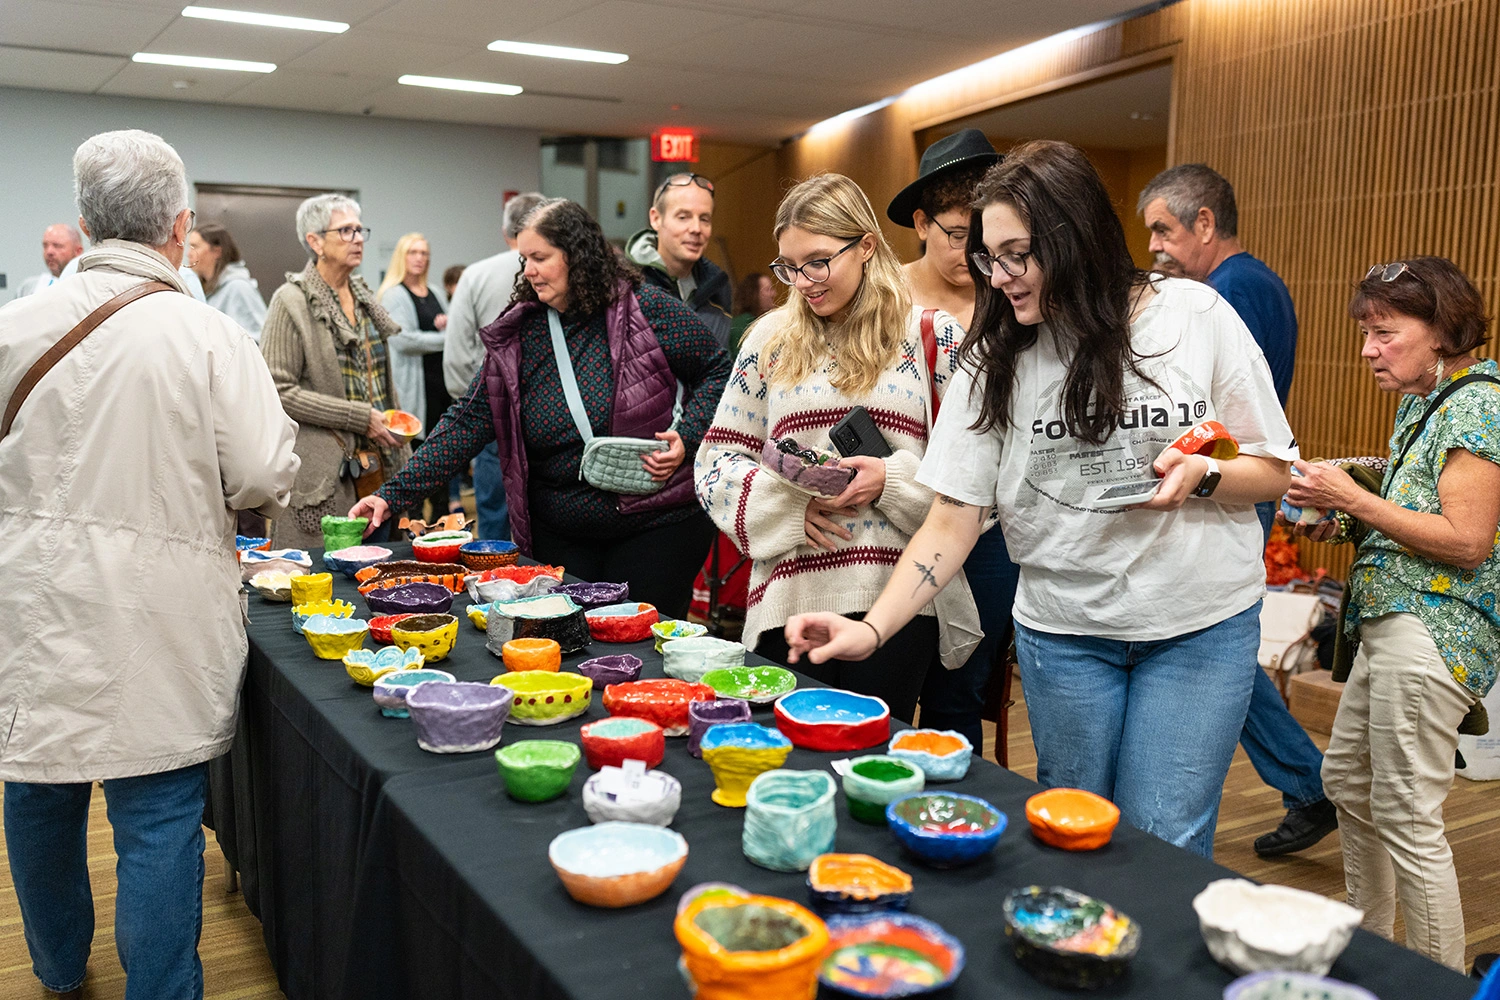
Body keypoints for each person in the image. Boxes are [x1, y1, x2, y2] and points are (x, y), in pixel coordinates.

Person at [784, 141, 1297, 859]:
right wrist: (872, 630)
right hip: (1065, 632)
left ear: (1074, 234)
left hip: (1197, 626)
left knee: (1164, 841)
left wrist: (1203, 475)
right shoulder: (997, 355)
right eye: (989, 256)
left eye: (1016, 254)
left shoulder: (1194, 315)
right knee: (1073, 830)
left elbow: (1271, 467)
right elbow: (953, 516)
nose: (997, 275)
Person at [0, 129, 298, 1000]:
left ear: (87, 223)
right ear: (179, 224)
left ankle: (56, 970)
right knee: (158, 817)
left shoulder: (13, 325)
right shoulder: (208, 338)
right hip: (158, 613)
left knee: (37, 789)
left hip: (30, 601)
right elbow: (258, 473)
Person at [695, 173, 982, 725]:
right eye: (789, 266)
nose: (803, 280)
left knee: (868, 753)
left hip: (896, 599)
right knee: (787, 754)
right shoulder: (768, 339)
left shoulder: (933, 338)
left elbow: (976, 489)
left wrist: (890, 482)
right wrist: (789, 509)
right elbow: (715, 464)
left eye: (819, 261)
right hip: (788, 595)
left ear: (867, 246)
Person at [353, 199, 729, 617]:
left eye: (540, 257)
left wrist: (689, 438)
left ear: (577, 256)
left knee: (640, 645)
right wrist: (391, 494)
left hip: (656, 527)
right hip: (562, 533)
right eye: (524, 259)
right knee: (573, 647)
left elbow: (717, 369)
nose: (528, 270)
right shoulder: (522, 332)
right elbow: (467, 421)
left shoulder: (644, 307)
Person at [1282, 256, 1499, 972]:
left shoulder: (1479, 403)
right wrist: (1338, 521)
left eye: (1384, 333)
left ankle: (1434, 984)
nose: (1367, 350)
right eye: (1365, 333)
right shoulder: (1425, 402)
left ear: (1439, 331)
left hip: (1432, 629)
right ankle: (1369, 952)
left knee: (1408, 813)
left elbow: (1466, 542)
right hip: (1387, 625)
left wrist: (1352, 500)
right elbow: (1410, 517)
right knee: (1348, 782)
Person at [1138, 163, 1335, 858]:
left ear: (1205, 223)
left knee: (1207, 647)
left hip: (1222, 484)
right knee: (1216, 651)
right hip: (1223, 480)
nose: (1155, 246)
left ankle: (1310, 783)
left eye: (1164, 229)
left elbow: (1213, 410)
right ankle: (1308, 783)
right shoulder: (1256, 284)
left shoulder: (1226, 293)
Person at [889, 128, 1021, 750]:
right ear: (920, 222)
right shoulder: (882, 296)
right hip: (893, 512)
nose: (975, 256)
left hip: (993, 523)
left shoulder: (1014, 296)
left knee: (962, 689)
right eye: (958, 235)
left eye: (987, 239)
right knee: (885, 679)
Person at [260, 193, 408, 550]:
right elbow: (277, 388)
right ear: (315, 241)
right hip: (323, 477)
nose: (357, 239)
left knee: (381, 576)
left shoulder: (364, 296)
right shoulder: (291, 300)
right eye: (345, 231)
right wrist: (360, 418)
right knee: (328, 585)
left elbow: (378, 382)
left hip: (380, 471)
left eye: (359, 230)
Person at [443, 191, 548, 540]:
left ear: (505, 232)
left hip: (492, 410)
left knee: (495, 521)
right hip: (550, 414)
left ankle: (494, 582)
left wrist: (473, 408)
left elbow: (457, 355)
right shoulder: (564, 273)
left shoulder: (475, 276)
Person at [377, 232, 458, 516]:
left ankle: (443, 531)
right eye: (413, 252)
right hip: (414, 394)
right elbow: (403, 340)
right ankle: (412, 535)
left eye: (424, 253)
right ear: (402, 256)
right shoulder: (394, 294)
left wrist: (446, 328)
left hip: (440, 391)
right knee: (416, 466)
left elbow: (454, 329)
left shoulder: (435, 292)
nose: (419, 258)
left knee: (443, 466)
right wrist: (443, 338)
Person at [626, 172, 733, 348]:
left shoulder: (718, 287)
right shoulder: (626, 282)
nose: (696, 229)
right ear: (655, 218)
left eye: (704, 219)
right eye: (683, 217)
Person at [187, 221, 267, 339]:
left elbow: (259, 338)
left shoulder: (238, 287)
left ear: (217, 252)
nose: (189, 254)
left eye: (195, 247)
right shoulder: (204, 289)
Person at [15, 223, 83, 297]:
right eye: (45, 246)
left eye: (57, 246)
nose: (49, 252)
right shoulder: (28, 288)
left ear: (78, 251)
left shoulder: (86, 286)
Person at [728, 271, 776, 356]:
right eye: (768, 290)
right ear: (754, 294)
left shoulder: (764, 320)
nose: (774, 294)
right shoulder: (743, 324)